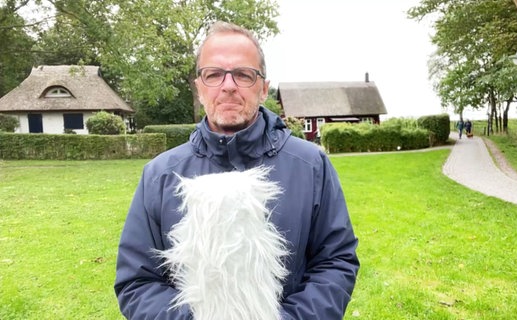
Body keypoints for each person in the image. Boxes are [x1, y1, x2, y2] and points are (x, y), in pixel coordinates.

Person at [114, 21, 359, 319]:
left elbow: (335, 263)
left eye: (243, 74)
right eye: (214, 74)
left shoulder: (311, 166)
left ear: (263, 88)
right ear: (199, 87)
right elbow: (137, 282)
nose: (228, 85)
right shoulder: (161, 175)